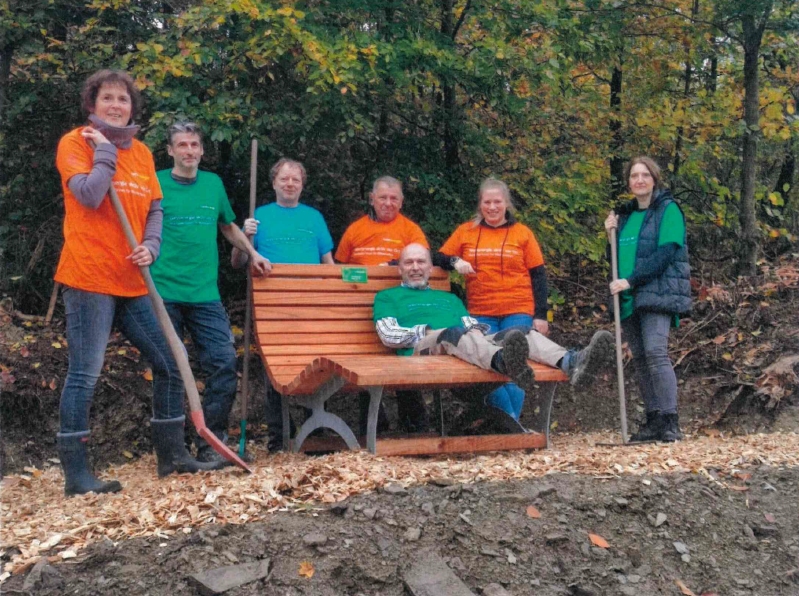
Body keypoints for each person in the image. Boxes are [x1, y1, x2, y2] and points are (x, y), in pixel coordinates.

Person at [54, 70, 222, 496]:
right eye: (107, 98)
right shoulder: (76, 143)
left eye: (123, 99)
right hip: (89, 276)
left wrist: (151, 245)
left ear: (132, 107)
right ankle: (77, 476)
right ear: (92, 104)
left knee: (170, 359)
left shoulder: (144, 153)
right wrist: (106, 152)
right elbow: (91, 195)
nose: (116, 105)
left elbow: (155, 209)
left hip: (133, 279)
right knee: (85, 373)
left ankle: (173, 457)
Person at [374, 245, 613, 426]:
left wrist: (490, 337)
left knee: (520, 332)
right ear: (400, 268)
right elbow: (388, 334)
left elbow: (472, 326)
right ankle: (503, 361)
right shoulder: (387, 297)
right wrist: (426, 331)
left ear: (429, 267)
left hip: (463, 343)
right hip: (424, 349)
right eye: (409, 263)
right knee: (456, 333)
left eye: (420, 262)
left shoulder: (449, 298)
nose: (415, 267)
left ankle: (573, 362)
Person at [149, 122, 271, 464]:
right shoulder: (155, 183)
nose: (189, 151)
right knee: (170, 368)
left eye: (194, 145)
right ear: (171, 151)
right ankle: (172, 451)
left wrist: (254, 253)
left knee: (223, 362)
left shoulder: (213, 184)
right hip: (163, 292)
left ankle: (211, 443)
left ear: (202, 150)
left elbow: (227, 225)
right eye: (182, 145)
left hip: (205, 294)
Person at [436, 178, 558, 427]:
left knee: (515, 362)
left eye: (497, 202)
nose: (492, 207)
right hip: (480, 312)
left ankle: (507, 424)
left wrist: (541, 315)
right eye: (487, 202)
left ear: (507, 204)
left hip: (518, 309)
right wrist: (454, 262)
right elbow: (437, 255)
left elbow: (539, 275)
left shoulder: (522, 233)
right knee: (488, 363)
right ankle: (511, 424)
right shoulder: (466, 231)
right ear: (480, 205)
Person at [231, 158, 334, 450]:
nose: (290, 184)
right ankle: (278, 437)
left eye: (295, 180)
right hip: (272, 307)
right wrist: (245, 237)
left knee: (312, 365)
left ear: (302, 185)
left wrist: (331, 299)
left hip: (310, 305)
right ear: (274, 182)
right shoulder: (259, 216)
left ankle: (315, 434)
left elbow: (328, 264)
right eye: (284, 179)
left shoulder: (314, 217)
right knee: (275, 367)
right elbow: (238, 262)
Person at [605, 157, 691, 442]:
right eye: (634, 176)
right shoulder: (626, 217)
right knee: (640, 358)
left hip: (657, 292)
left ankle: (670, 421)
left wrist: (631, 280)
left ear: (654, 179)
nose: (639, 180)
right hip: (629, 296)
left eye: (645, 175)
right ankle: (653, 420)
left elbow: (665, 254)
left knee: (655, 353)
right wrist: (610, 236)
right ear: (629, 182)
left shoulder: (668, 210)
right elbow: (615, 260)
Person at [335, 176, 430, 433]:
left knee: (404, 355)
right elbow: (339, 268)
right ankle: (374, 425)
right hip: (360, 312)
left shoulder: (410, 230)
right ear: (372, 199)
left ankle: (414, 422)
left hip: (401, 310)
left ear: (401, 202)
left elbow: (420, 262)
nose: (388, 203)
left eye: (394, 198)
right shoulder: (356, 230)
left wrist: (388, 268)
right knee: (364, 357)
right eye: (383, 198)